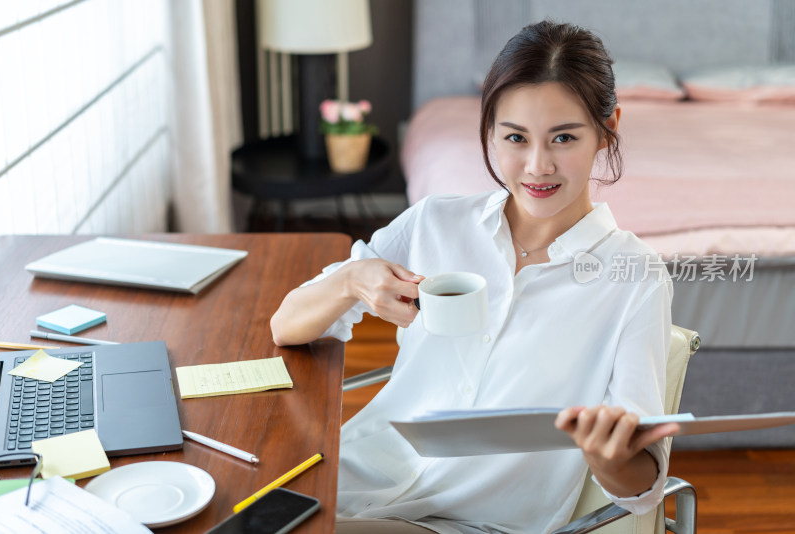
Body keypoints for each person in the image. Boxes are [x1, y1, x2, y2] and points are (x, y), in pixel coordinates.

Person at [271, 20, 678, 534]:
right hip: (354, 481)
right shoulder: (436, 222)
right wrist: (354, 279)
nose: (537, 166)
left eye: (564, 138)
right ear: (490, 131)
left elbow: (643, 489)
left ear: (607, 128)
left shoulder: (634, 279)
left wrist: (607, 456)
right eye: (515, 137)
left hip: (471, 523)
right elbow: (286, 326)